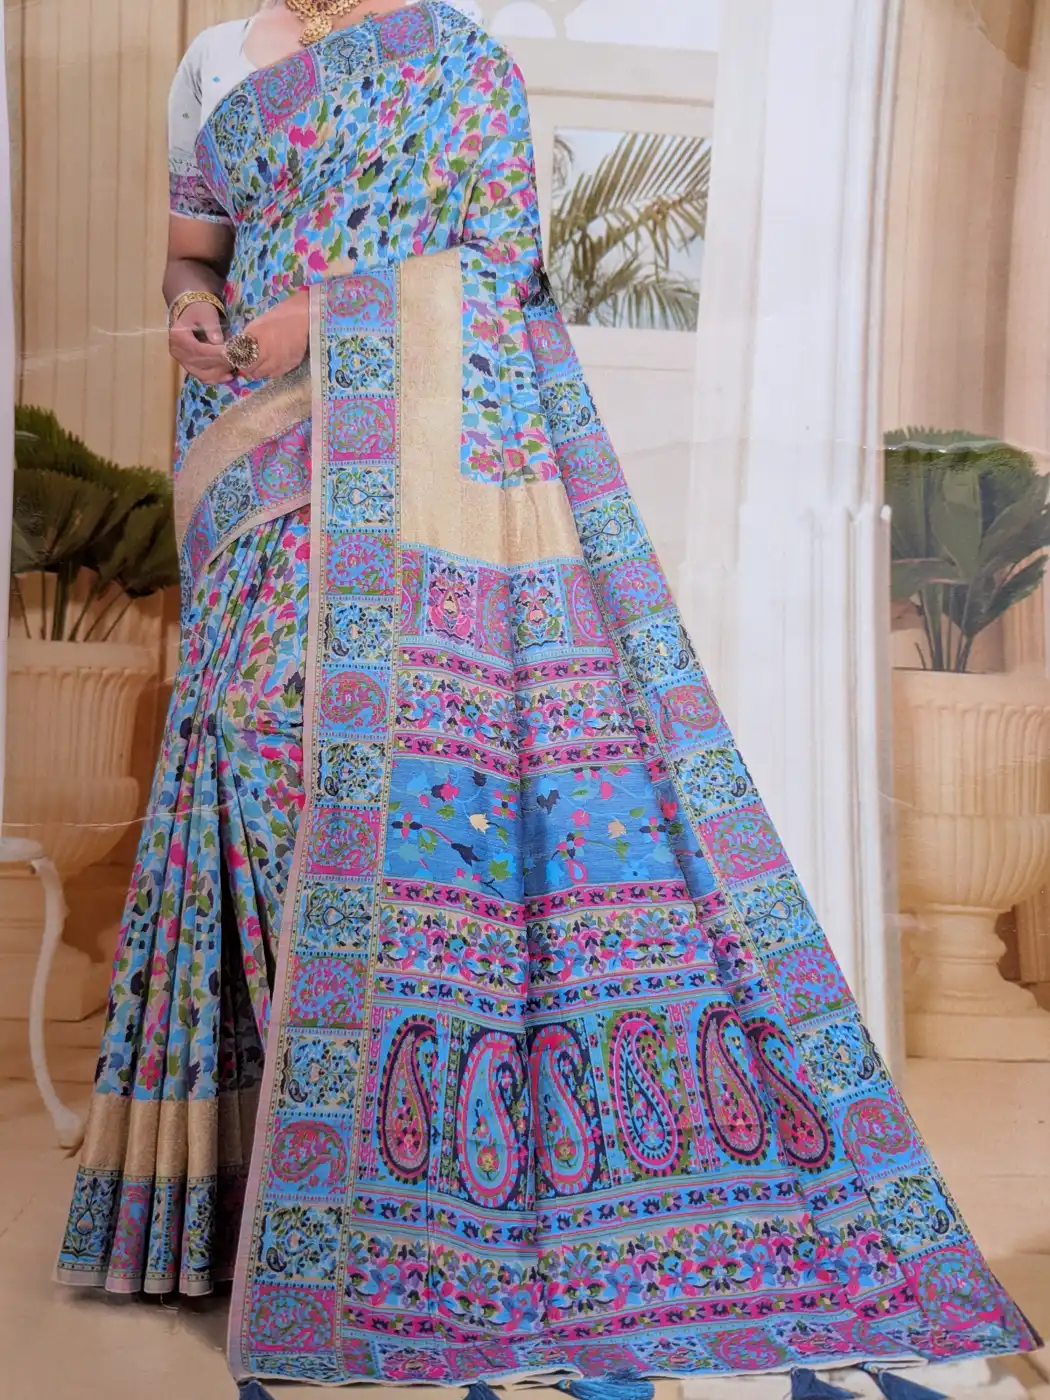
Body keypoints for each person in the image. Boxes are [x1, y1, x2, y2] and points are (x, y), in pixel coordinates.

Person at [56, 1, 1038, 1395]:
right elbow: (192, 247)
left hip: (400, 469)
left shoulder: (461, 63)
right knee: (253, 769)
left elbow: (501, 272)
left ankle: (369, 1208)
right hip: (243, 466)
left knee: (360, 794)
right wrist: (191, 311)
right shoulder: (213, 59)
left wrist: (322, 320)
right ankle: (262, 1201)